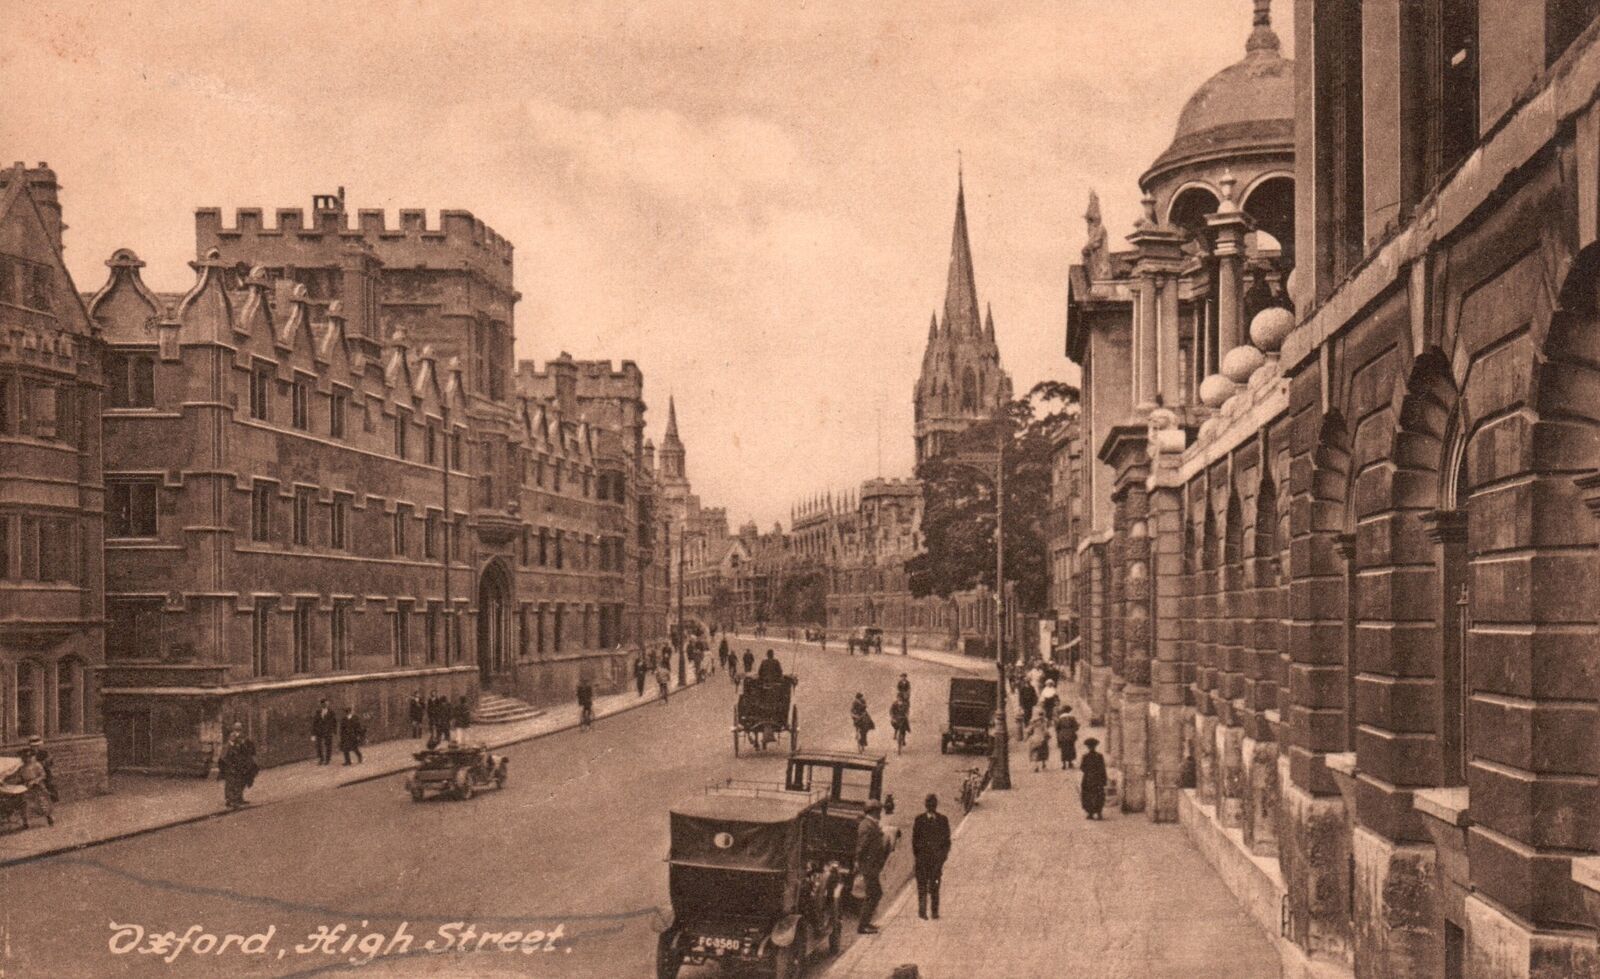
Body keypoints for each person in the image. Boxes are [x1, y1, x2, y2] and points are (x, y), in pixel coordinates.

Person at [912, 793, 951, 919]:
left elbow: (947, 841)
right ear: (925, 805)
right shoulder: (919, 820)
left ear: (936, 805)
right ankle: (922, 911)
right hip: (922, 861)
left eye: (933, 803)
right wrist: (918, 857)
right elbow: (915, 841)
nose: (931, 806)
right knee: (922, 886)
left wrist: (942, 858)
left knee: (935, 886)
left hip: (936, 861)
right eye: (928, 803)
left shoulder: (943, 820)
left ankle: (934, 912)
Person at [853, 800, 889, 933]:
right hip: (869, 867)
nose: (880, 814)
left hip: (872, 866)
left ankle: (866, 923)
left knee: (874, 894)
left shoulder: (870, 824)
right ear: (874, 812)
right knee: (873, 894)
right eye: (879, 811)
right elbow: (861, 846)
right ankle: (863, 926)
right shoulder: (867, 826)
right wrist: (858, 861)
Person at [218, 723, 257, 810]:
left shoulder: (236, 744)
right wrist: (229, 767)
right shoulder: (227, 746)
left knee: (237, 783)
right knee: (230, 784)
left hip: (236, 768)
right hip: (230, 769)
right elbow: (223, 758)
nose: (235, 736)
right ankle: (230, 801)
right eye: (233, 735)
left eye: (235, 735)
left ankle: (237, 799)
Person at [13, 748, 52, 827]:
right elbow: (19, 777)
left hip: (37, 786)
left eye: (29, 757)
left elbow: (43, 775)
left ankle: (48, 817)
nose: (27, 759)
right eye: (25, 757)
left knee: (42, 802)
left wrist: (35, 781)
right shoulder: (21, 768)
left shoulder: (37, 765)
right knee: (25, 803)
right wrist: (20, 782)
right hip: (27, 787)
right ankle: (25, 821)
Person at [1080, 737, 1107, 819]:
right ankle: (1099, 813)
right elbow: (1103, 768)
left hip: (1088, 778)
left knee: (1088, 795)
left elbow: (1082, 768)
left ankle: (1090, 813)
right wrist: (1104, 779)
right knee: (1099, 795)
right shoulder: (1099, 756)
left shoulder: (1085, 756)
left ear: (1088, 747)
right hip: (1098, 778)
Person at [25, 736, 57, 803]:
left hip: (43, 771)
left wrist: (43, 764)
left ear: (39, 745)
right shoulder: (27, 753)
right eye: (33, 746)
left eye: (37, 746)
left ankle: (52, 799)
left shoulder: (44, 753)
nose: (35, 748)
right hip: (31, 772)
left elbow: (50, 761)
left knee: (50, 783)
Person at [311, 699, 338, 765]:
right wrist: (313, 733)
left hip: (328, 731)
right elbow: (315, 722)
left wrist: (334, 731)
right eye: (324, 704)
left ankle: (327, 759)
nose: (326, 705)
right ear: (321, 704)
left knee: (328, 745)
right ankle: (321, 759)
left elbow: (334, 722)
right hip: (319, 731)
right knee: (319, 746)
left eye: (327, 703)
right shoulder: (318, 712)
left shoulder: (331, 712)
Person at [1055, 705, 1080, 770]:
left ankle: (1063, 764)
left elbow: (1057, 728)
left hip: (1062, 735)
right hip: (1071, 735)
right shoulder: (1072, 718)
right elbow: (1076, 727)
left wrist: (1059, 734)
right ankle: (1070, 763)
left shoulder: (1060, 718)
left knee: (1063, 749)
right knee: (1071, 748)